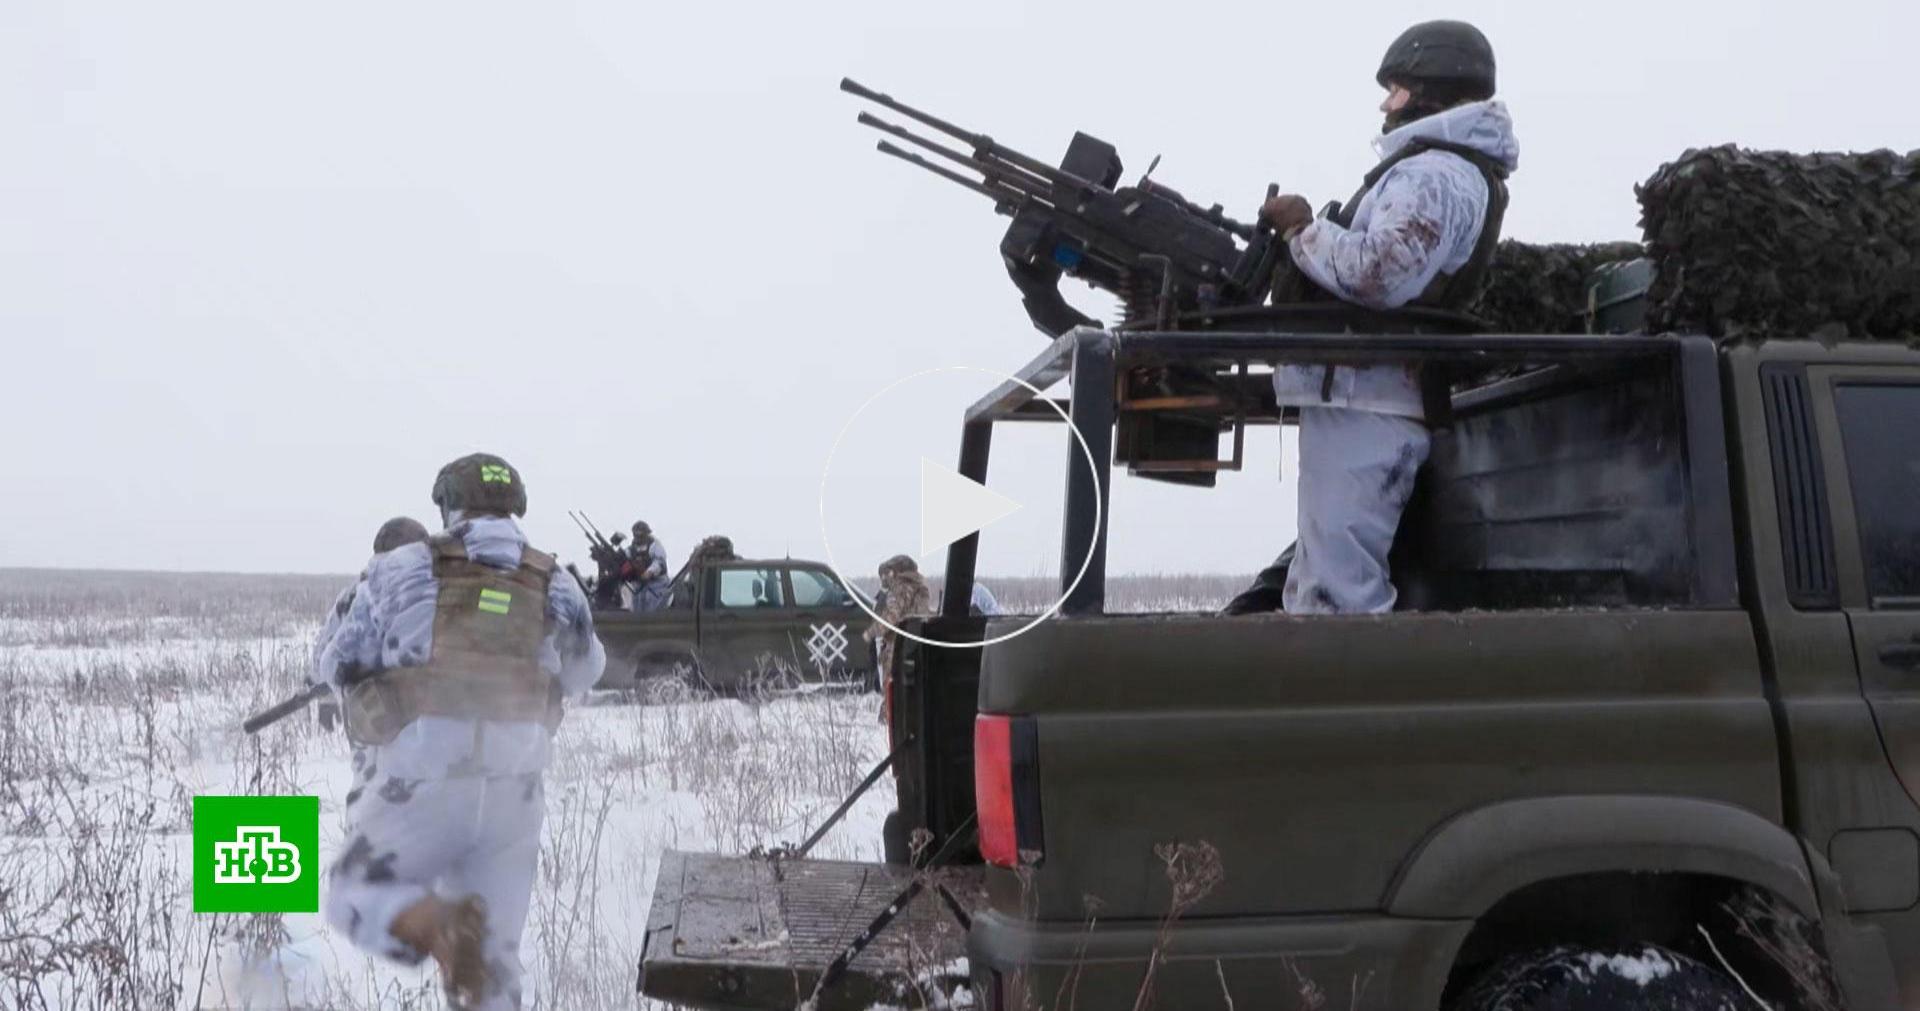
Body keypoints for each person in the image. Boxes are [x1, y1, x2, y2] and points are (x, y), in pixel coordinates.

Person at [1248, 19, 1519, 615]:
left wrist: (1302, 229)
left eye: (1395, 90)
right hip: (1365, 393)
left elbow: (1380, 273)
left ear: (1431, 92)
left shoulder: (1435, 174)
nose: (1385, 105)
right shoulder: (1442, 169)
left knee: (1340, 595)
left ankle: (1350, 677)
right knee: (1318, 583)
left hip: (1370, 398)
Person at [315, 453, 605, 1010]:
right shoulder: (556, 580)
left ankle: (439, 927)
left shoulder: (400, 569)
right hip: (515, 794)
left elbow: (336, 664)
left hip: (424, 782)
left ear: (448, 504)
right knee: (494, 960)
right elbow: (586, 671)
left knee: (354, 895)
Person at [310, 516, 431, 732]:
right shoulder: (429, 592)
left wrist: (326, 696)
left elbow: (326, 653)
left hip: (373, 717)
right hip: (416, 714)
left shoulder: (358, 593)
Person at [862, 554, 932, 681]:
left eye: (889, 572)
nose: (886, 577)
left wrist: (871, 632)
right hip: (915, 646)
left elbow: (891, 616)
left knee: (892, 686)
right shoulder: (921, 588)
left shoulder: (900, 588)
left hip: (897, 647)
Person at [621, 520, 670, 612]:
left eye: (641, 534)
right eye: (636, 534)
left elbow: (659, 562)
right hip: (639, 587)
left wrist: (649, 572)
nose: (638, 537)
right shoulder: (631, 549)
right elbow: (623, 560)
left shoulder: (655, 546)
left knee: (653, 607)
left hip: (657, 585)